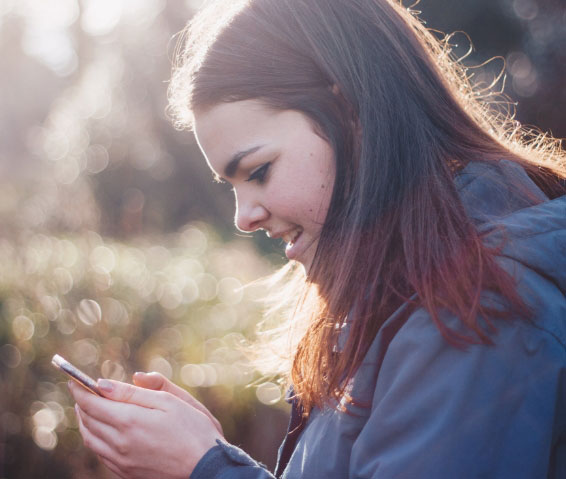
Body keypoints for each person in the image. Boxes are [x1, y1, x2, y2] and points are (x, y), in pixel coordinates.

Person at [68, 0, 566, 477]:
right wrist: (206, 454)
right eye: (233, 186)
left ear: (351, 111)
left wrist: (206, 469)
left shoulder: (477, 307)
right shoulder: (401, 295)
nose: (244, 217)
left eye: (259, 171)